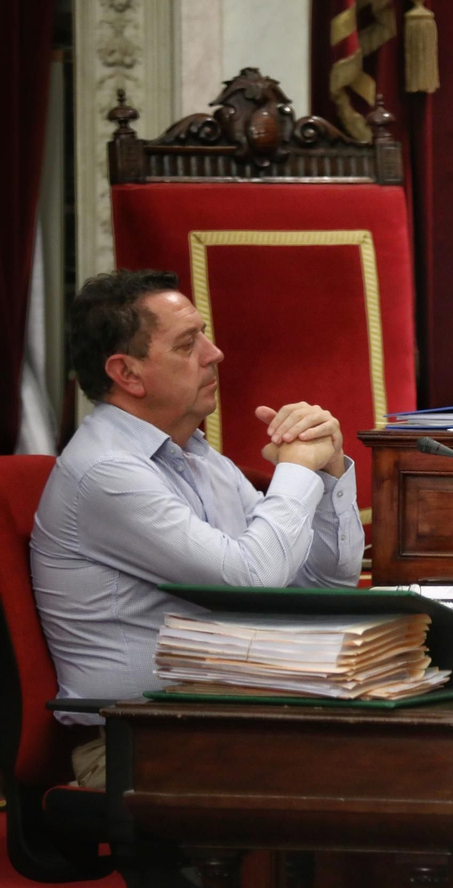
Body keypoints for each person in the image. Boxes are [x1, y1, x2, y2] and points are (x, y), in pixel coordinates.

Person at [31, 269, 363, 788]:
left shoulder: (198, 458)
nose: (215, 354)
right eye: (189, 344)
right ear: (128, 373)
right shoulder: (108, 472)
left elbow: (321, 587)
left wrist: (328, 471)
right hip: (138, 747)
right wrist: (297, 470)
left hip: (225, 725)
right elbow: (249, 580)